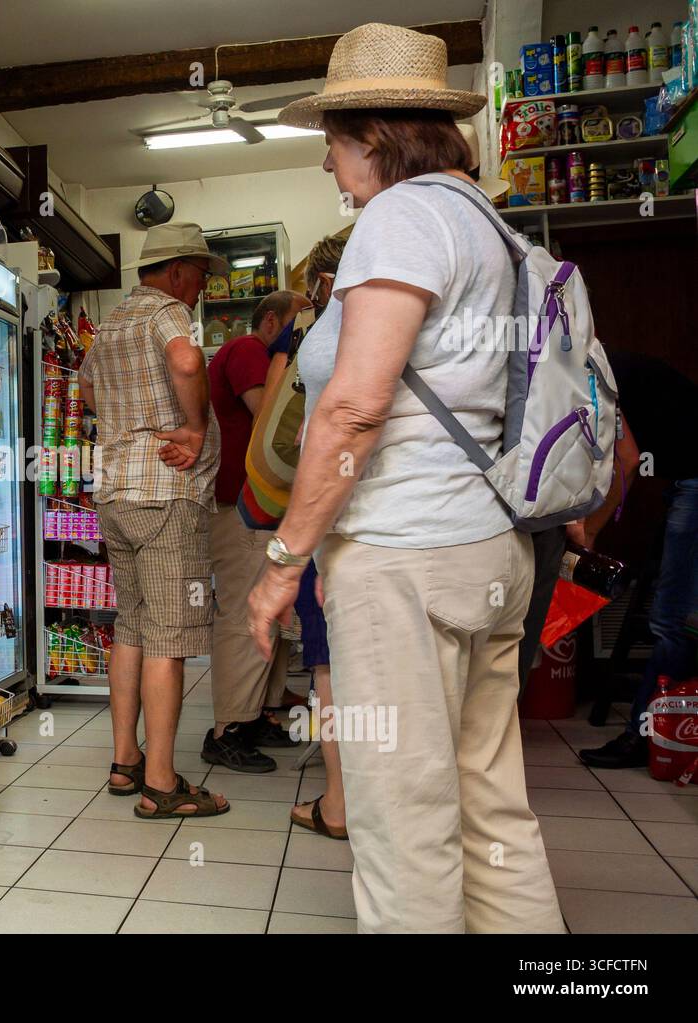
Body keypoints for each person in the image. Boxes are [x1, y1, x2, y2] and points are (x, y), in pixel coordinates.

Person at [249, 23, 563, 932]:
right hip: (491, 549)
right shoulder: (492, 225)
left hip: (404, 558)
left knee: (403, 824)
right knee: (492, 809)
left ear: (374, 138)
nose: (326, 165)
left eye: (332, 142)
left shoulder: (399, 216)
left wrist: (282, 566)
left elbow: (352, 408)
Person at [78, 221, 230, 820]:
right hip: (166, 493)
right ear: (176, 271)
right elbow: (188, 361)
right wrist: (191, 427)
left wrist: (125, 417)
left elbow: (86, 388)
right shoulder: (167, 311)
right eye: (198, 277)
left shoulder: (112, 319)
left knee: (132, 628)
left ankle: (125, 761)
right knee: (169, 636)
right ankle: (162, 783)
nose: (199, 290)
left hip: (115, 493)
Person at [204, 290, 311, 772]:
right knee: (243, 618)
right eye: (296, 324)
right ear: (271, 322)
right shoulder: (248, 349)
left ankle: (261, 714)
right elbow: (269, 417)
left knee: (273, 622)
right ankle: (228, 729)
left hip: (260, 507)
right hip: (240, 507)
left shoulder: (261, 354)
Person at [578, 350, 698, 768]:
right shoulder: (606, 363)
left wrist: (589, 531)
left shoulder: (593, 371)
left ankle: (642, 737)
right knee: (680, 620)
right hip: (686, 479)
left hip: (695, 482)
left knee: (673, 622)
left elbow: (625, 463)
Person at [289, 235, 348, 840]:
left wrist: (291, 547)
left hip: (342, 521)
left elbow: (336, 429)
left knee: (328, 662)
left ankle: (340, 803)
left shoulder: (340, 325)